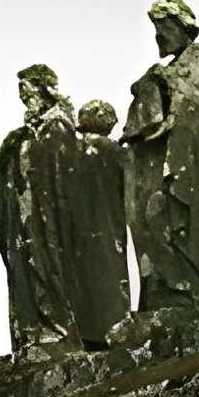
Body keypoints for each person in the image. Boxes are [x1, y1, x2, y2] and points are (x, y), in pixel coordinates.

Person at [123, 0, 199, 312]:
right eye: (155, 30)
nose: (158, 37)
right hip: (165, 160)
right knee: (153, 219)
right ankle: (164, 292)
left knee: (182, 225)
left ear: (181, 26)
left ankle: (191, 293)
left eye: (163, 28)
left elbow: (196, 101)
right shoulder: (171, 67)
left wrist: (163, 84)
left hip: (189, 163)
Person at [0, 64, 78, 352]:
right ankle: (30, 335)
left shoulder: (58, 125)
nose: (23, 97)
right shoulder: (28, 131)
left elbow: (59, 173)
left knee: (49, 267)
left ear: (42, 89)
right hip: (25, 215)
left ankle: (56, 331)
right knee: (23, 270)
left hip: (48, 216)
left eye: (26, 90)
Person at [72, 100, 131, 345]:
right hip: (108, 227)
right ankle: (112, 331)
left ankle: (85, 333)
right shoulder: (114, 151)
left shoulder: (69, 149)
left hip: (77, 230)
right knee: (110, 277)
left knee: (81, 279)